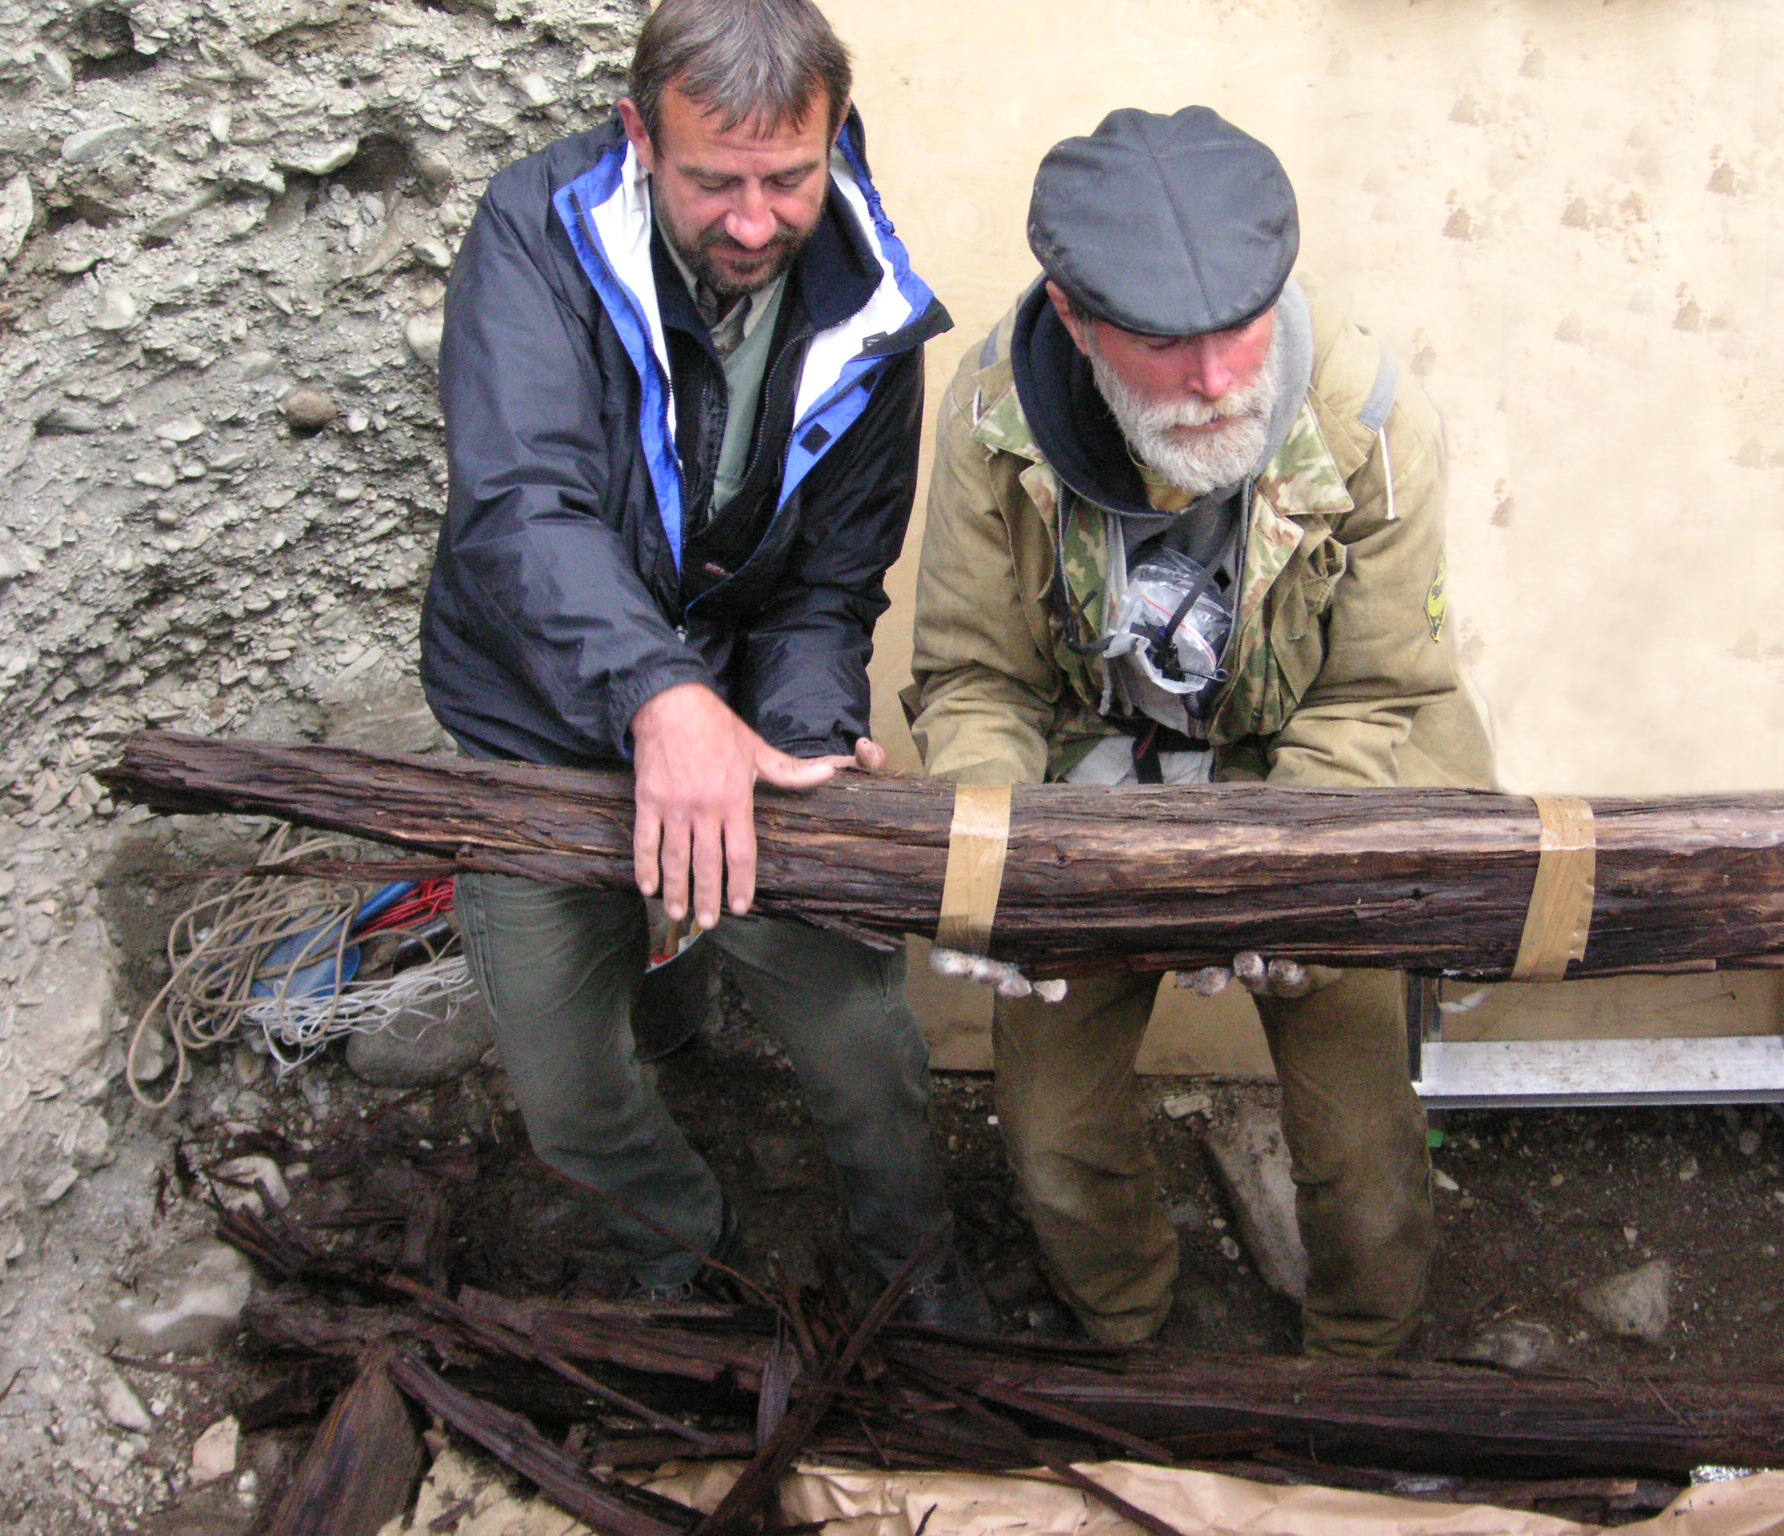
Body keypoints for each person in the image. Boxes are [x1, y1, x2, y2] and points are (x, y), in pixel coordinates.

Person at [421, 0, 987, 1327]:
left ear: (833, 139)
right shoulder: (536, 235)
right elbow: (524, 509)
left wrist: (797, 725)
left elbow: (830, 585)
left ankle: (908, 1261)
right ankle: (679, 1242)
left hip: (733, 710)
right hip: (535, 713)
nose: (753, 221)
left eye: (788, 179)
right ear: (638, 139)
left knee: (863, 1032)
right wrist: (659, 697)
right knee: (565, 1081)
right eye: (712, 183)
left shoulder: (871, 301)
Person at [905, 106, 1494, 1355]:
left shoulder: (1368, 416)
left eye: (1238, 330)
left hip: (1323, 780)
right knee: (1052, 1128)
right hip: (1091, 782)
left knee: (1356, 1132)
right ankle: (1127, 1339)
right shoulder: (988, 417)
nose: (1218, 378)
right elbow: (974, 678)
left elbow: (1375, 695)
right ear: (1072, 317)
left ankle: (1361, 1357)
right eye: (1166, 349)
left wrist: (1276, 874)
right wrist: (994, 861)